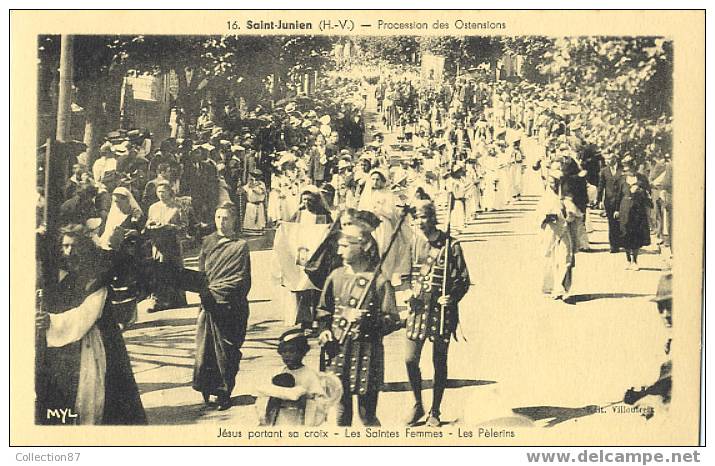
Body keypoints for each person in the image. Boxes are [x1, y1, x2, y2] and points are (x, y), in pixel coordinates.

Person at [35, 224, 146, 425]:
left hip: (97, 343)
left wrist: (52, 322)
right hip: (67, 346)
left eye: (75, 247)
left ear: (85, 248)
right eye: (66, 247)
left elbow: (87, 313)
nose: (70, 252)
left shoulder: (96, 276)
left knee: (103, 400)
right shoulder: (61, 277)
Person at [316, 219, 402, 426]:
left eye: (345, 246)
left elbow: (392, 319)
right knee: (341, 414)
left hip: (367, 354)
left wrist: (369, 322)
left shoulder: (379, 281)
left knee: (367, 416)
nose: (339, 251)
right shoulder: (335, 277)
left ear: (362, 246)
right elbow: (323, 310)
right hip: (337, 352)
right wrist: (324, 330)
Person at [404, 200, 471, 427]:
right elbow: (407, 273)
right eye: (416, 218)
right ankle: (417, 403)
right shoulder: (413, 242)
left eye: (423, 217)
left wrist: (451, 296)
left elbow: (463, 279)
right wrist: (407, 290)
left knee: (438, 360)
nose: (419, 222)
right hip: (418, 308)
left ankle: (435, 410)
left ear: (433, 218)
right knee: (410, 359)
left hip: (441, 310)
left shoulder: (451, 245)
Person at [193, 202, 251, 410]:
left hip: (230, 306)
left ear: (234, 220)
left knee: (226, 350)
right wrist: (203, 292)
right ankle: (207, 387)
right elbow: (201, 272)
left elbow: (240, 278)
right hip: (209, 302)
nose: (221, 222)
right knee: (206, 348)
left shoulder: (240, 245)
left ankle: (225, 391)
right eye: (218, 217)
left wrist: (218, 293)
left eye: (225, 218)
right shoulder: (208, 242)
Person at [255, 328, 341, 426]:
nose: (287, 355)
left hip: (300, 419)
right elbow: (264, 396)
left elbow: (320, 402)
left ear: (302, 352)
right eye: (284, 352)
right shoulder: (278, 371)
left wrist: (307, 398)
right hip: (278, 418)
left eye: (292, 351)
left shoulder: (309, 375)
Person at [145, 180, 188, 312]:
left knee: (173, 269)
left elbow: (185, 226)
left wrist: (170, 226)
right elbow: (147, 224)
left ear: (170, 191)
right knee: (159, 269)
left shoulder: (177, 207)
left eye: (164, 191)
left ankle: (176, 300)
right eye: (159, 192)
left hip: (172, 243)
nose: (161, 194)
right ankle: (160, 300)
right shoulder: (153, 207)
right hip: (158, 243)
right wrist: (151, 225)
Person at [538, 166, 577, 301]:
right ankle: (551, 287)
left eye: (556, 182)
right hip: (550, 231)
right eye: (551, 182)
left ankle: (562, 288)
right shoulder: (545, 197)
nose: (553, 184)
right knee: (550, 258)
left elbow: (574, 214)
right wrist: (547, 217)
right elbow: (539, 215)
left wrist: (569, 214)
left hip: (564, 230)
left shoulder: (566, 197)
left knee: (565, 257)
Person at [615, 159, 652, 270]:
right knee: (625, 233)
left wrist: (639, 190)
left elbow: (648, 192)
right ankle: (628, 260)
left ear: (633, 168)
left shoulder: (642, 179)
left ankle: (635, 261)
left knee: (636, 235)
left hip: (638, 209)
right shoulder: (621, 180)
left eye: (629, 168)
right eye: (625, 168)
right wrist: (616, 210)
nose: (627, 171)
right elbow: (618, 196)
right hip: (624, 208)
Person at [597, 150, 624, 253]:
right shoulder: (604, 171)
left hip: (621, 200)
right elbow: (601, 186)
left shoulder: (622, 170)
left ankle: (622, 242)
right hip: (609, 201)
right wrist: (599, 200)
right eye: (606, 159)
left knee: (621, 222)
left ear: (615, 159)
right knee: (612, 223)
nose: (607, 161)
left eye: (609, 159)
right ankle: (614, 246)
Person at [242, 168, 268, 234]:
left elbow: (261, 192)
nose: (256, 178)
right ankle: (249, 230)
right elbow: (243, 190)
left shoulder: (262, 184)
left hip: (259, 204)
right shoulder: (249, 184)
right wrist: (240, 188)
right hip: (251, 204)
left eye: (257, 176)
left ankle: (259, 230)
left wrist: (254, 188)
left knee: (259, 219)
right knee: (250, 218)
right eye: (254, 176)